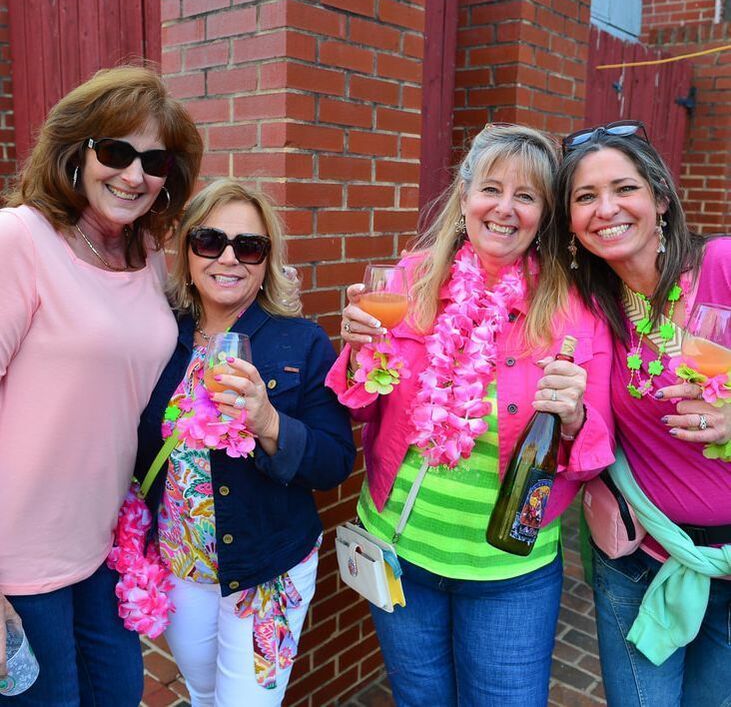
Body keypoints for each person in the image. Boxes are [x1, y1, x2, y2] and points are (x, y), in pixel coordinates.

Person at [325, 124, 615, 706]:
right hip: (401, 545)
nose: (504, 209)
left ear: (544, 215)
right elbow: (358, 400)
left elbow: (594, 452)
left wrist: (578, 418)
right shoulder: (406, 281)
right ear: (464, 197)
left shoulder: (575, 313)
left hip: (511, 568)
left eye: (526, 196)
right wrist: (358, 348)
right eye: (491, 188)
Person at [0, 65, 202, 704]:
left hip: (102, 546)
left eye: (155, 160)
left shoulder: (145, 258)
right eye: (116, 152)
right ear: (76, 153)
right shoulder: (21, 240)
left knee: (118, 693)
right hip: (18, 559)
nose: (135, 175)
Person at [134, 179, 356, 706]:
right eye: (210, 241)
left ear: (266, 260)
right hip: (179, 566)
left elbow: (334, 462)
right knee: (205, 691)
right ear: (188, 250)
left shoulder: (302, 341)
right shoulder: (159, 335)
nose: (228, 258)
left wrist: (269, 422)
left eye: (249, 246)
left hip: (267, 573)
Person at [554, 120, 731, 707]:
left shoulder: (722, 267)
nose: (606, 209)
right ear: (573, 224)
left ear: (659, 198)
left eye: (624, 188)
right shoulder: (589, 309)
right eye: (585, 197)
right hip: (640, 559)